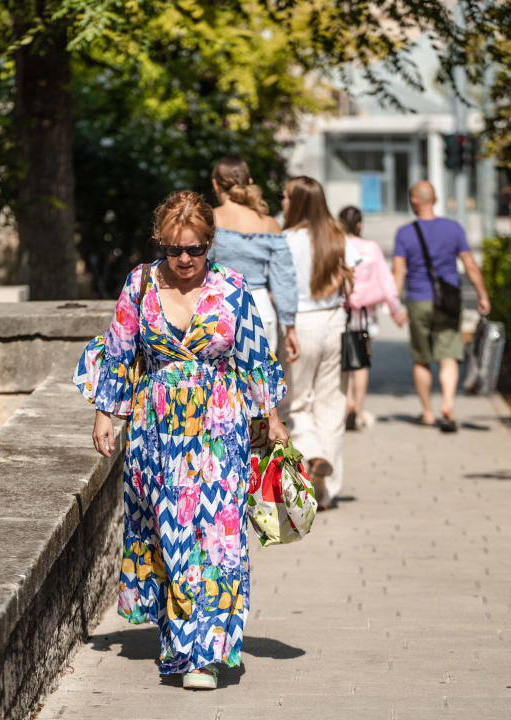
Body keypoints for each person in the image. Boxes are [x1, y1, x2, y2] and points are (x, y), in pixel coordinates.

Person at [75, 190, 288, 690]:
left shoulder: (233, 288)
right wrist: (106, 414)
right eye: (175, 249)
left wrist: (271, 418)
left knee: (217, 538)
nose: (185, 259)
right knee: (170, 536)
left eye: (194, 249)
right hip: (156, 435)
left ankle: (203, 655)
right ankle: (181, 636)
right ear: (161, 244)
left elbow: (255, 357)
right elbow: (120, 351)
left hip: (219, 432)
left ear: (210, 244)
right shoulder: (139, 284)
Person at [281, 176, 361, 508]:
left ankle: (312, 456)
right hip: (335, 321)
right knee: (331, 405)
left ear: (297, 201)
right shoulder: (337, 235)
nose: (282, 201)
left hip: (300, 323)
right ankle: (327, 492)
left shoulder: (285, 240)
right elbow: (351, 280)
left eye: (285, 196)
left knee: (294, 402)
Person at [392, 181, 491, 433]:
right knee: (449, 357)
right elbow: (469, 264)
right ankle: (448, 404)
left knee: (421, 360)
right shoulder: (453, 228)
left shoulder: (404, 233)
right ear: (434, 200)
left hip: (418, 300)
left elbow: (399, 272)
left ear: (414, 200)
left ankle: (427, 413)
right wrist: (482, 295)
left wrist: (394, 305)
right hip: (449, 301)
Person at [210, 156, 300, 361]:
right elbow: (284, 279)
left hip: (214, 309)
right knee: (257, 389)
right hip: (259, 310)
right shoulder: (269, 224)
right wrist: (290, 327)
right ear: (249, 182)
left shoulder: (207, 219)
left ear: (215, 184)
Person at [337, 206, 407, 431]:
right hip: (365, 317)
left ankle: (345, 403)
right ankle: (357, 409)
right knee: (361, 363)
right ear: (359, 224)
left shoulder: (336, 246)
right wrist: (395, 310)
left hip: (340, 314)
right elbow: (387, 283)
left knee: (342, 364)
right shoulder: (371, 248)